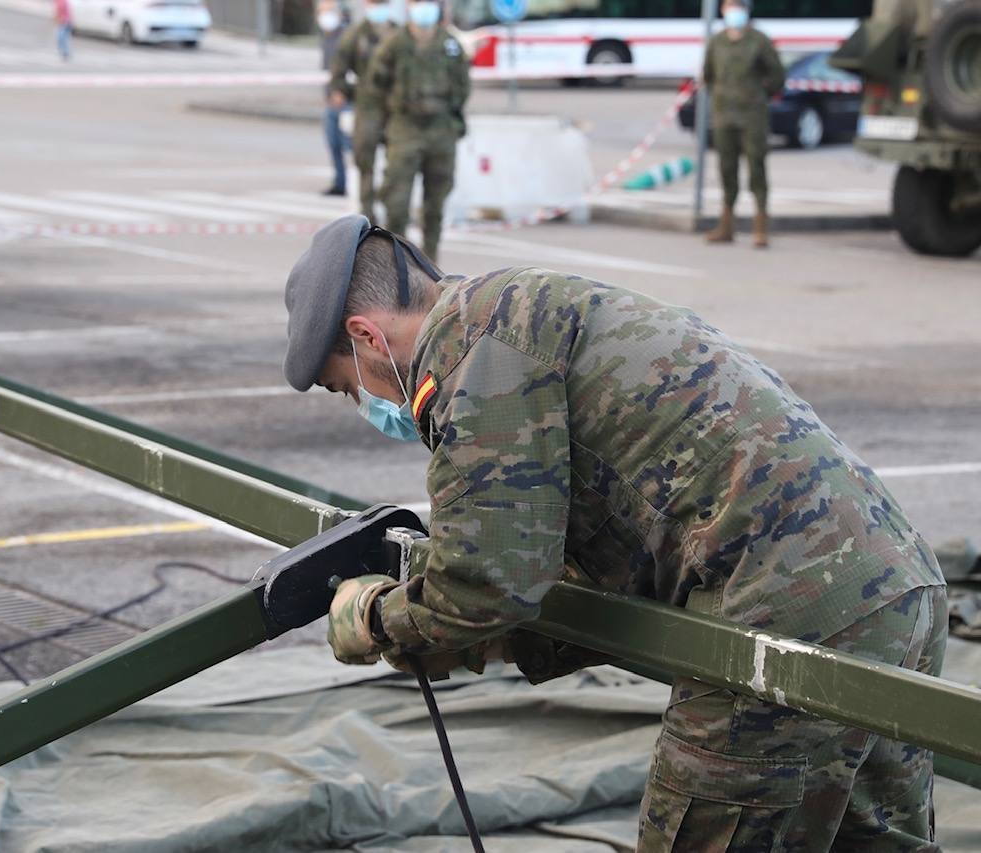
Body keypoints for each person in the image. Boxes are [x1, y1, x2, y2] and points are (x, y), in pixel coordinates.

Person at [282, 215, 946, 851]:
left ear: (366, 336)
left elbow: (488, 580)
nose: (372, 404)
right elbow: (596, 561)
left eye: (350, 388)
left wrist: (377, 618)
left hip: (789, 612)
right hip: (893, 585)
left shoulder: (481, 355)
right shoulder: (513, 309)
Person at [364, 0, 468, 262]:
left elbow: (462, 85)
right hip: (405, 128)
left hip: (440, 129)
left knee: (436, 200)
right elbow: (375, 85)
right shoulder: (395, 44)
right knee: (396, 199)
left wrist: (450, 115)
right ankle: (397, 261)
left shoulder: (450, 44)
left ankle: (431, 260)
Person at [703, 0, 785, 248]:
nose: (732, 11)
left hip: (753, 116)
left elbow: (777, 76)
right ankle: (726, 226)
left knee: (756, 167)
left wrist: (759, 95)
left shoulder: (759, 40)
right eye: (728, 6)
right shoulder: (717, 41)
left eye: (736, 5)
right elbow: (709, 75)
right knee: (726, 168)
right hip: (724, 115)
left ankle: (760, 228)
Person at [328, 0, 396, 221]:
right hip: (367, 107)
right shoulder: (356, 34)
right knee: (365, 162)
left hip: (395, 108)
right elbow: (339, 67)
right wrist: (339, 90)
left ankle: (390, 202)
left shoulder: (398, 33)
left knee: (397, 162)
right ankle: (369, 212)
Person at [318, 0, 349, 197]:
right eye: (322, 11)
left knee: (350, 146)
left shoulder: (347, 37)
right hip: (331, 100)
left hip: (347, 101)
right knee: (334, 143)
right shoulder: (326, 36)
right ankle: (340, 182)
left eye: (328, 11)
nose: (324, 16)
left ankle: (351, 184)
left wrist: (342, 92)